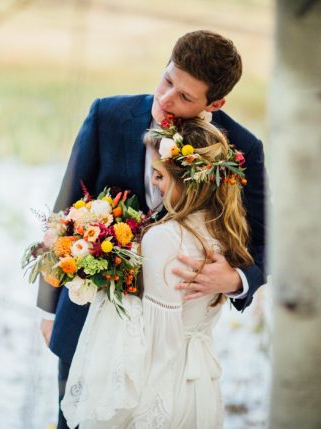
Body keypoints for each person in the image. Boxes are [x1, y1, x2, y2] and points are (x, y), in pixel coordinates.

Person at [37, 30, 267, 428]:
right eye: (167, 81)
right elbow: (64, 213)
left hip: (172, 349)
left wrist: (235, 279)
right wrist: (47, 307)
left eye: (185, 97)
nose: (165, 100)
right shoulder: (108, 116)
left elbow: (266, 241)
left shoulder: (241, 149)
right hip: (87, 320)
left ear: (215, 103)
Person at [60, 117, 253, 428]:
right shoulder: (226, 233)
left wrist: (114, 286)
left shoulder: (164, 238)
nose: (154, 183)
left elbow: (156, 345)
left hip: (164, 390)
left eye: (160, 175)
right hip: (202, 385)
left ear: (187, 182)